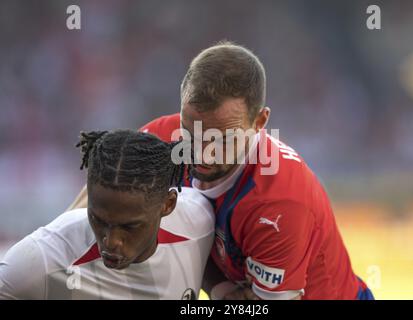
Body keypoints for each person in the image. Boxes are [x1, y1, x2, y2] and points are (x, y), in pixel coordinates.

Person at [67, 41, 374, 300]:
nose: (202, 152)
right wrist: (221, 289)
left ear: (260, 122)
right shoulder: (162, 139)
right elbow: (83, 212)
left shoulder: (279, 202)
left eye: (222, 140)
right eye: (191, 132)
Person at [0, 130, 214, 300]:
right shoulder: (42, 260)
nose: (111, 242)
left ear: (168, 205)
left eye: (129, 226)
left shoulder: (199, 222)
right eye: (98, 220)